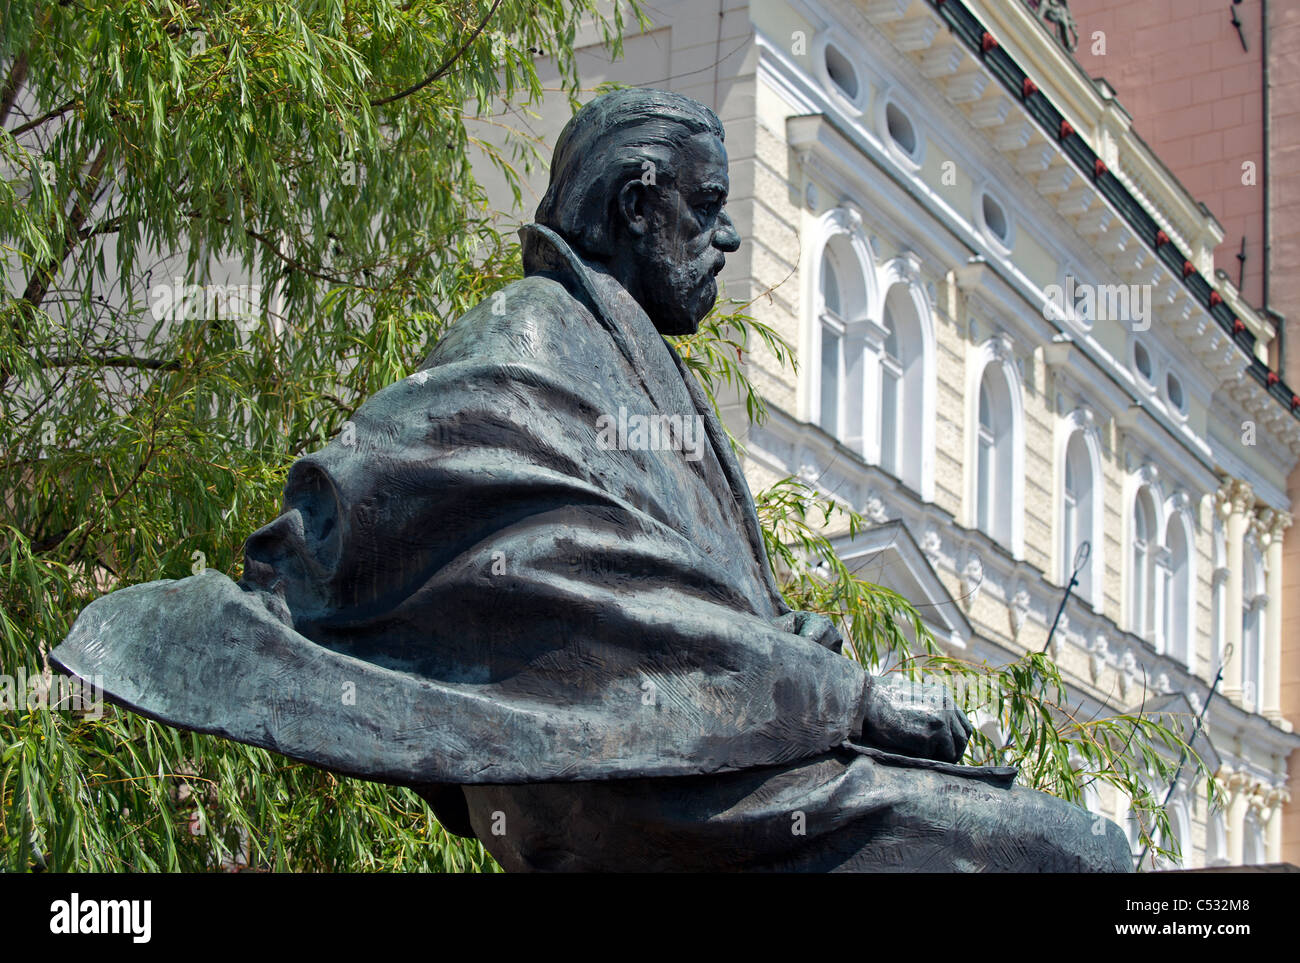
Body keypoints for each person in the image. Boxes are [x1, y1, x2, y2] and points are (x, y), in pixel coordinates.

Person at [53, 88, 1131, 871]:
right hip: (630, 785)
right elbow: (571, 581)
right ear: (632, 207)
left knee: (1054, 837)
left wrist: (780, 641)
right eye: (704, 208)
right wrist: (844, 695)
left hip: (704, 753)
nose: (729, 236)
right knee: (1065, 852)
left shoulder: (626, 359)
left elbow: (657, 584)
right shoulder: (528, 336)